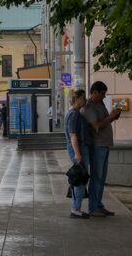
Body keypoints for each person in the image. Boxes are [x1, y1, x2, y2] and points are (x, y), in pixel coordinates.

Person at [82, 81, 121, 217]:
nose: (104, 97)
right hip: (97, 146)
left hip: (104, 144)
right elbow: (97, 126)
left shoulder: (100, 104)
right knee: (96, 177)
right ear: (94, 92)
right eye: (102, 94)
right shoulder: (89, 107)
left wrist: (112, 117)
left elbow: (104, 122)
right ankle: (93, 207)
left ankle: (98, 204)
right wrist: (110, 117)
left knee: (102, 177)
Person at [64, 89, 92, 219]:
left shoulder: (75, 113)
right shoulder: (74, 114)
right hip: (78, 148)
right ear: (77, 99)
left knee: (80, 178)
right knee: (79, 179)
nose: (85, 100)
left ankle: (76, 208)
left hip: (79, 148)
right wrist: (77, 153)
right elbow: (73, 135)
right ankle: (75, 209)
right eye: (83, 98)